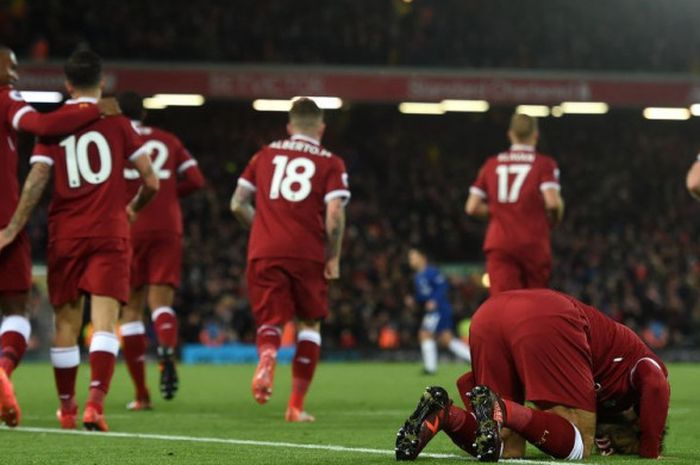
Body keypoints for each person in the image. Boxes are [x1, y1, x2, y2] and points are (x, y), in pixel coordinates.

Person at [0, 50, 159, 431]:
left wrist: (14, 225)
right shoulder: (119, 123)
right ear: (101, 83)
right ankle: (95, 407)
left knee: (66, 323)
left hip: (66, 234)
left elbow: (36, 180)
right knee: (105, 322)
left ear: (68, 85)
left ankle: (67, 409)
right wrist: (133, 206)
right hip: (110, 231)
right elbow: (151, 179)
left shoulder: (54, 125)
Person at [395, 289, 669, 462]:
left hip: (489, 314)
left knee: (507, 446)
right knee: (580, 447)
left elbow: (469, 381)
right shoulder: (635, 361)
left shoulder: (606, 386)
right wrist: (650, 449)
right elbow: (656, 383)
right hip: (550, 317)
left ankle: (445, 414)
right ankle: (500, 407)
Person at [231, 98, 350, 422]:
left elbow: (237, 203)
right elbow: (335, 215)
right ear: (321, 128)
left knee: (270, 319)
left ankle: (268, 355)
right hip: (307, 251)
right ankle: (295, 406)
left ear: (289, 126)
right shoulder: (331, 162)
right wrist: (334, 256)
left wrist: (264, 227)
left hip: (265, 249)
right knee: (309, 324)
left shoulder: (264, 154)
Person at [117, 91, 205, 410]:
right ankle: (167, 349)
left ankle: (141, 394)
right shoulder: (168, 139)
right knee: (161, 304)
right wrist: (168, 194)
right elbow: (196, 179)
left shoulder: (116, 138)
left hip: (129, 223)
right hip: (167, 225)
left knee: (130, 311)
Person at [465, 113, 564, 295]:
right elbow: (552, 203)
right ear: (536, 135)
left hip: (499, 242)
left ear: (510, 134)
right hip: (533, 242)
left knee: (503, 303)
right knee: (536, 302)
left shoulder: (491, 164)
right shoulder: (544, 164)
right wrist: (555, 219)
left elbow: (471, 207)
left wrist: (499, 210)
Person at [407, 247, 471, 374]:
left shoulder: (432, 272)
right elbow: (424, 295)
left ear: (422, 257)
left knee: (424, 334)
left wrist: (434, 300)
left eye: (413, 257)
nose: (411, 260)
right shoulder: (417, 277)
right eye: (410, 258)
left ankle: (430, 368)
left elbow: (443, 286)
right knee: (446, 339)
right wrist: (414, 299)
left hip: (439, 309)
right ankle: (474, 359)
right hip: (434, 310)